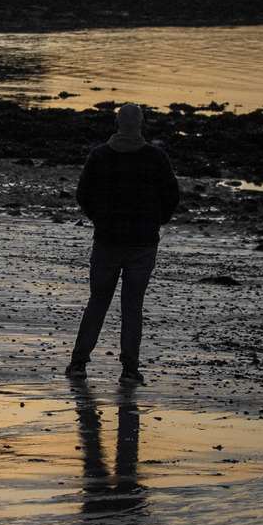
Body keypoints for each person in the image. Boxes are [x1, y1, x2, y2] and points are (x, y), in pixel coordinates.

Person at [67, 103, 181, 387]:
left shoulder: (100, 155)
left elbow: (83, 194)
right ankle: (129, 369)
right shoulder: (156, 157)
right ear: (140, 124)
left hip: (108, 239)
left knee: (98, 301)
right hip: (142, 242)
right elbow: (171, 195)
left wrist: (99, 219)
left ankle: (79, 362)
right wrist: (157, 220)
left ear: (118, 124)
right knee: (132, 306)